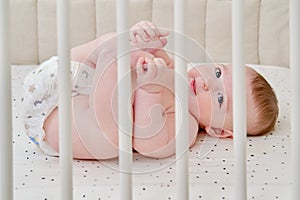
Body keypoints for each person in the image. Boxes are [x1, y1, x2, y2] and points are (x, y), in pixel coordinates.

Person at [20, 21, 278, 160]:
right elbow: (148, 53)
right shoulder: (176, 67)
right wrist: (145, 39)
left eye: (220, 98)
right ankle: (113, 48)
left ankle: (112, 57)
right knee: (123, 43)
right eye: (219, 73)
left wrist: (151, 89)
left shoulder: (186, 127)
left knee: (112, 141)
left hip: (57, 122)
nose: (207, 82)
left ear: (218, 130)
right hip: (65, 73)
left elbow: (147, 141)